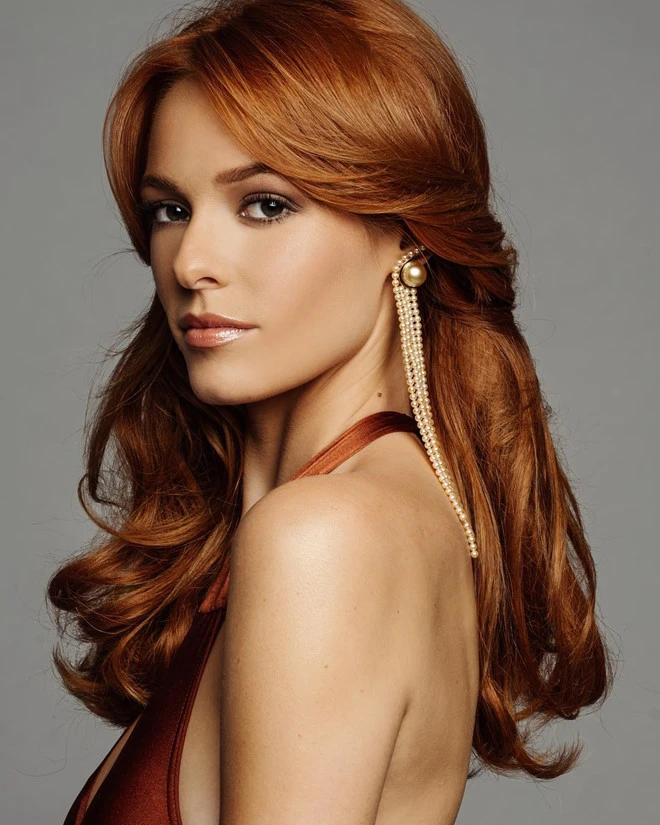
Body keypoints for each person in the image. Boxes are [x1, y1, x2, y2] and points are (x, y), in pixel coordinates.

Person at [48, 1, 614, 823]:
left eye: (265, 205)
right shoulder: (386, 509)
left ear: (404, 232)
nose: (192, 262)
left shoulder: (322, 537)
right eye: (171, 209)